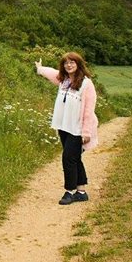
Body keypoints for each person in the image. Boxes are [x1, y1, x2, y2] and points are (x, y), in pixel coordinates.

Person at [35, 52, 98, 205]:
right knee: (75, 158)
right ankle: (81, 192)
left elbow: (89, 109)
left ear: (78, 64)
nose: (68, 65)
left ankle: (69, 191)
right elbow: (52, 73)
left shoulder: (86, 84)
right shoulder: (64, 80)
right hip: (64, 126)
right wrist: (40, 68)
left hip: (77, 128)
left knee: (68, 158)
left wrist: (86, 131)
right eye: (66, 63)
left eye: (72, 62)